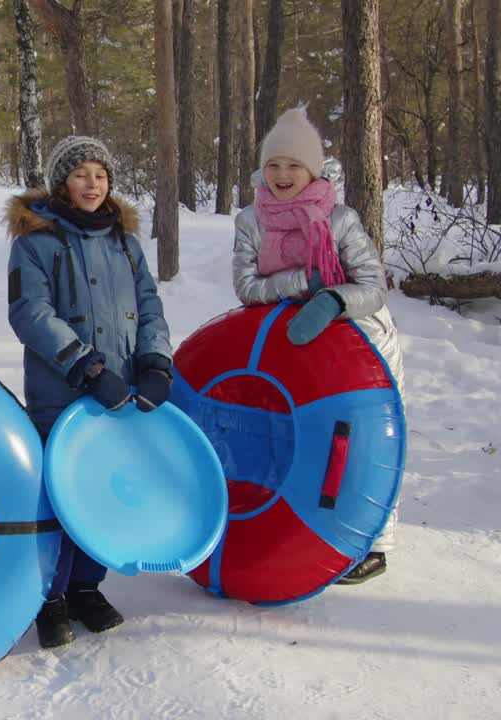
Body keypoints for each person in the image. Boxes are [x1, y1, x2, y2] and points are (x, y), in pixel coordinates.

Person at [5, 136, 173, 648]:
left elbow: (149, 307)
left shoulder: (125, 242)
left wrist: (155, 359)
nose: (92, 184)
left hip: (120, 389)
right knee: (61, 494)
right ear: (61, 182)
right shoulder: (35, 243)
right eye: (81, 175)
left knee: (104, 489)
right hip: (65, 390)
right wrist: (86, 367)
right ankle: (49, 597)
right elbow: (30, 313)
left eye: (100, 175)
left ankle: (86, 587)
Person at [233, 107, 404, 585]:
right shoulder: (251, 221)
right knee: (314, 440)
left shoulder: (340, 218)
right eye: (274, 165)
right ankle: (316, 528)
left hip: (363, 340)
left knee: (369, 440)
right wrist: (300, 283)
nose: (283, 175)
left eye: (294, 166)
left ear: (312, 170)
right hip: (299, 345)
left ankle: (377, 544)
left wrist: (331, 298)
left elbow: (373, 284)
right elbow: (246, 286)